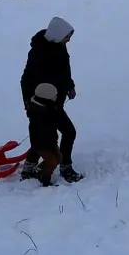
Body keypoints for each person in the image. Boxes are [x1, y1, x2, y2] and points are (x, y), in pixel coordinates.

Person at [18, 16, 84, 183]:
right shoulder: (39, 53)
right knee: (54, 134)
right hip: (40, 105)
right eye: (67, 36)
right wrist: (29, 102)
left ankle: (32, 167)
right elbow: (26, 79)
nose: (69, 39)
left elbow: (64, 71)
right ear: (58, 34)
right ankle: (63, 167)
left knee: (46, 136)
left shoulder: (59, 47)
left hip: (55, 103)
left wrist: (70, 86)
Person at [24, 83, 65, 186]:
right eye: (53, 97)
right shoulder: (39, 114)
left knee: (59, 158)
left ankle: (40, 170)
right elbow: (40, 133)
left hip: (51, 141)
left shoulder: (48, 109)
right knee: (52, 163)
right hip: (42, 145)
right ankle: (45, 179)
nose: (56, 98)